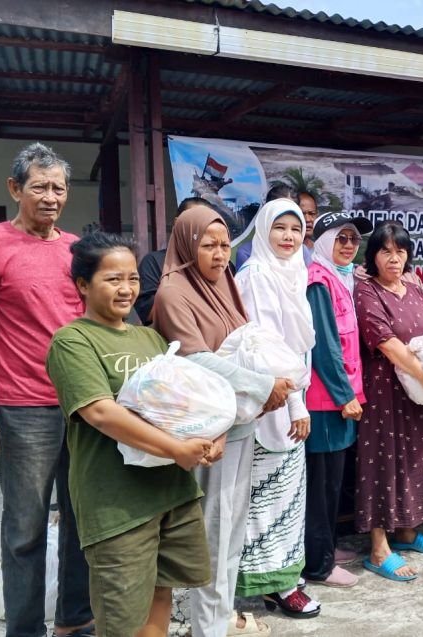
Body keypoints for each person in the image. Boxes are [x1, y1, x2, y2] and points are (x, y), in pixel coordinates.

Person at [0, 142, 93, 637]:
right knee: (25, 529)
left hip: (84, 406)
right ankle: (26, 629)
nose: (52, 197)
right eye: (40, 187)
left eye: (59, 188)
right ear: (15, 189)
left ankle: (75, 621)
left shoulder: (76, 249)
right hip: (25, 409)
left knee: (82, 521)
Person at [45, 232, 213, 637]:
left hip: (170, 491)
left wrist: (212, 434)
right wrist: (176, 449)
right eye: (113, 279)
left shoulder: (150, 338)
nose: (126, 289)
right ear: (83, 284)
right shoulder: (73, 341)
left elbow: (182, 401)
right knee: (122, 618)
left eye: (133, 278)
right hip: (117, 503)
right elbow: (100, 412)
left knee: (161, 591)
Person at [152, 206, 291, 636]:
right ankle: (207, 628)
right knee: (212, 532)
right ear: (186, 245)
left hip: (240, 424)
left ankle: (217, 620)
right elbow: (196, 359)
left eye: (224, 245)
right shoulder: (173, 293)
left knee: (231, 532)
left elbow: (245, 342)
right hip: (207, 433)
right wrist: (264, 384)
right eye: (208, 245)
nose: (218, 254)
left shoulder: (224, 284)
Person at [234, 199, 321, 617]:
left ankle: (284, 574)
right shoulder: (257, 276)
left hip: (291, 398)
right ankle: (275, 586)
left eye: (296, 228)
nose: (288, 237)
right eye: (279, 228)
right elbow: (265, 349)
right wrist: (294, 403)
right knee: (268, 499)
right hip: (271, 404)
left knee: (288, 497)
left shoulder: (292, 272)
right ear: (263, 231)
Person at [354, 222, 423, 582]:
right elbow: (386, 342)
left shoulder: (415, 289)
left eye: (400, 251)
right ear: (373, 255)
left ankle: (407, 531)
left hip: (419, 393)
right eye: (385, 251)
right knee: (383, 461)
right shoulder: (366, 291)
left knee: (415, 457)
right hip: (385, 392)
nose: (394, 258)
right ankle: (379, 548)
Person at [303, 211, 373, 587]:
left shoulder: (340, 277)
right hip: (325, 401)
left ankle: (326, 548)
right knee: (322, 486)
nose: (349, 245)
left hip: (340, 399)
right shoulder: (318, 281)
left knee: (332, 483)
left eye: (353, 239)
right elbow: (324, 346)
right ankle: (318, 565)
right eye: (341, 238)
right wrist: (345, 396)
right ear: (324, 242)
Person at [135, 197, 234, 326]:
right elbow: (150, 312)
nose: (219, 255)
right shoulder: (154, 262)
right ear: (178, 223)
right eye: (193, 221)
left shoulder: (224, 265)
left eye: (206, 221)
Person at [236, 186, 313, 269]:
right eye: (280, 227)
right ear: (267, 213)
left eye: (292, 211)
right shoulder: (247, 254)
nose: (288, 236)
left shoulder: (302, 252)